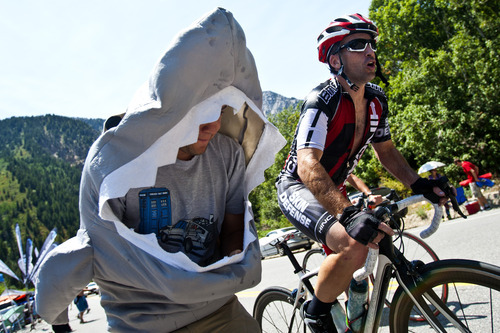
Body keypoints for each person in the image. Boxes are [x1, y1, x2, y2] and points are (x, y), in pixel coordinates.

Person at [35, 8, 285, 332]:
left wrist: (229, 267)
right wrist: (57, 322)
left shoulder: (227, 155)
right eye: (200, 112)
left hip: (218, 307)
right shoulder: (114, 167)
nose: (213, 125)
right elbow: (88, 251)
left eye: (221, 108)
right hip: (141, 321)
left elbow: (233, 225)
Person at [276, 13, 448, 332]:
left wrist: (420, 184)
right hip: (298, 186)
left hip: (333, 186)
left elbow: (387, 152)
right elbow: (307, 164)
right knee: (353, 242)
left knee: (376, 236)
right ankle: (317, 313)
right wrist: (347, 213)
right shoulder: (322, 100)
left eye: (372, 44)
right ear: (335, 58)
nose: (370, 51)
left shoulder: (376, 101)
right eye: (358, 45)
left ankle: (357, 317)